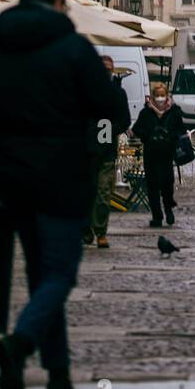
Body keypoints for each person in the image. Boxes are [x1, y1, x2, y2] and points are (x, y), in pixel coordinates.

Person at [0, 0, 129, 389]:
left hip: (13, 180)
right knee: (60, 274)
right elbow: (105, 106)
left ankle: (59, 373)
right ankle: (19, 344)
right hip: (63, 176)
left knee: (40, 275)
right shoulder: (73, 49)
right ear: (59, 2)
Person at [84, 60, 130, 249]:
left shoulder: (117, 94)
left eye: (108, 70)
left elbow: (125, 119)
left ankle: (101, 231)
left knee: (103, 192)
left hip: (106, 150)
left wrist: (110, 130)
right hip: (86, 150)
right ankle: (86, 228)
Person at [132, 82, 185, 228]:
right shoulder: (146, 112)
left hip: (167, 153)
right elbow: (137, 129)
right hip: (151, 153)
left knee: (167, 184)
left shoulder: (174, 112)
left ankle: (168, 209)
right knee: (152, 185)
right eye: (157, 95)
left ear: (167, 95)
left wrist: (170, 136)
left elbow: (181, 130)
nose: (160, 98)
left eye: (163, 95)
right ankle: (157, 216)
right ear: (153, 97)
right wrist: (148, 135)